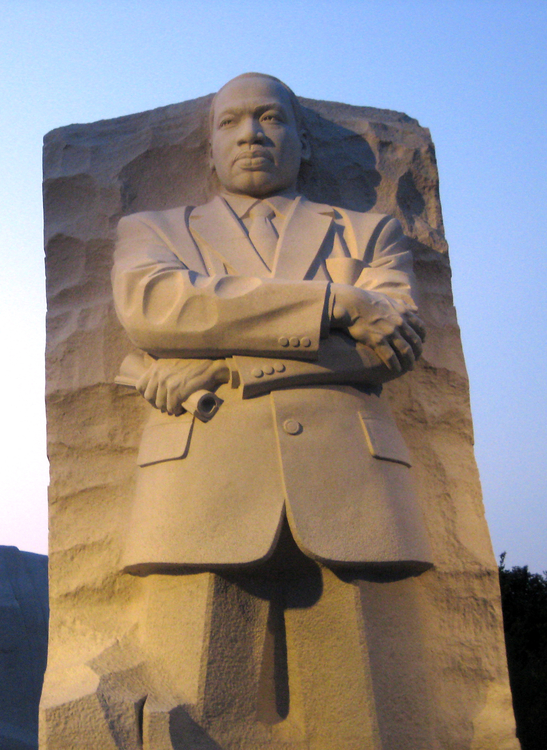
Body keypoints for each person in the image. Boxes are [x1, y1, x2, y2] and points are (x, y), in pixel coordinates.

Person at [109, 73, 434, 746]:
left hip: (350, 485)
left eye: (270, 118)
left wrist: (226, 364)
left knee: (363, 717)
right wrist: (335, 304)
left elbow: (391, 348)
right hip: (201, 482)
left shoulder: (371, 233)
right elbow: (159, 310)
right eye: (230, 122)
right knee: (190, 709)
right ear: (207, 149)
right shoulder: (153, 231)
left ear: (304, 142)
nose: (251, 134)